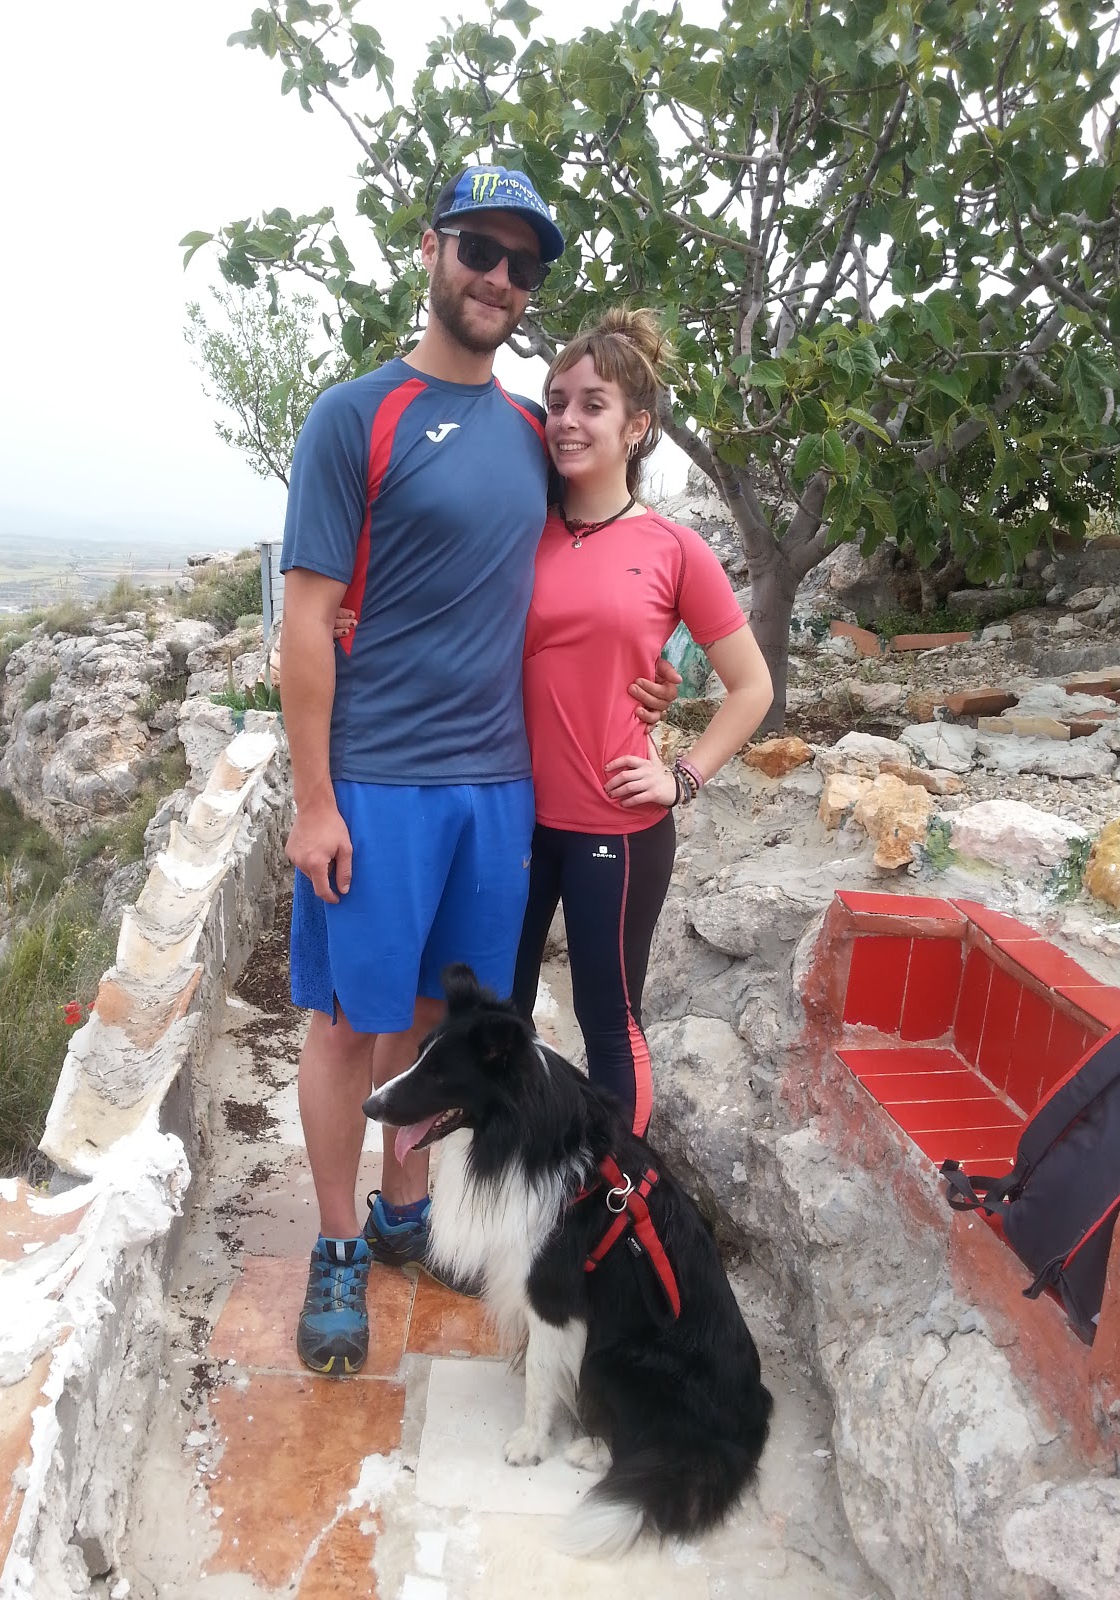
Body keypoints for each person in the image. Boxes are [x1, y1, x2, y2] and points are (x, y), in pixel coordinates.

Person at [278, 168, 676, 1377]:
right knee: (347, 1024)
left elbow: (595, 570)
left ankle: (407, 1211)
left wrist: (653, 684)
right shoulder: (356, 416)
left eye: (523, 262)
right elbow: (308, 620)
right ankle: (339, 1245)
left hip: (499, 793)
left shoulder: (529, 436)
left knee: (432, 1020)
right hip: (379, 785)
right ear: (432, 249)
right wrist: (312, 800)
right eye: (480, 249)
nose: (500, 277)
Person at [511, 307, 774, 1136]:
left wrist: (682, 777)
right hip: (511, 819)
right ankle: (512, 1189)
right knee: (498, 1019)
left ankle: (616, 1195)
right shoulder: (518, 529)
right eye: (557, 402)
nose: (567, 420)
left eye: (593, 404)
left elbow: (751, 687)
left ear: (636, 427)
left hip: (614, 829)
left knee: (607, 1021)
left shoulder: (673, 547)